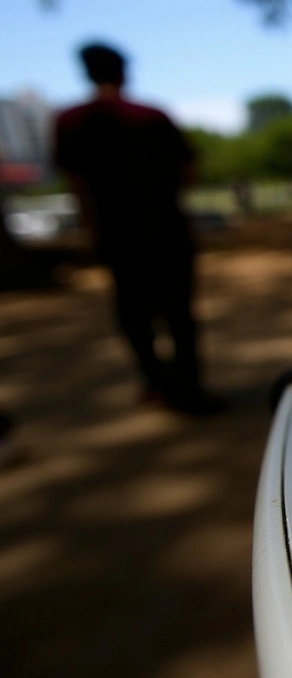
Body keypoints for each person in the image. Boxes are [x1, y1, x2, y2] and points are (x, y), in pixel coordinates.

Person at [53, 43, 222, 415]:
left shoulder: (70, 121)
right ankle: (190, 389)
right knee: (179, 313)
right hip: (166, 230)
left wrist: (93, 231)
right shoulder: (151, 116)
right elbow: (189, 173)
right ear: (123, 71)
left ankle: (156, 382)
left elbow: (77, 185)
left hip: (116, 236)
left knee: (133, 315)